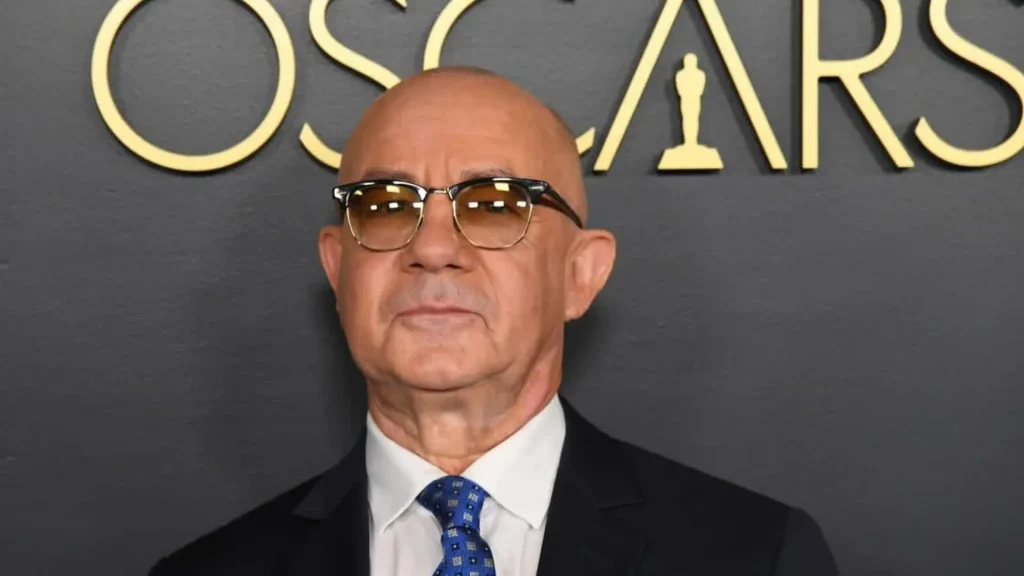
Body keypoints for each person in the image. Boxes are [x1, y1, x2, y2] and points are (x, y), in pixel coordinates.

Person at [148, 66, 838, 576]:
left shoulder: (754, 556)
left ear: (580, 273)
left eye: (495, 204)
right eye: (386, 206)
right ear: (338, 269)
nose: (433, 248)